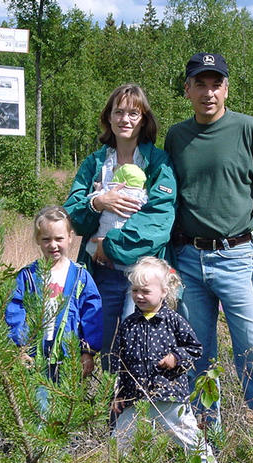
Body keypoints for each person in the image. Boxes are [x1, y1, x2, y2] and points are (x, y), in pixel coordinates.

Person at [164, 53, 253, 444]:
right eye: (199, 84)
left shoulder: (249, 130)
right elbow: (167, 201)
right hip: (186, 260)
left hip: (238, 260)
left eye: (216, 84)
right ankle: (207, 448)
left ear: (226, 88)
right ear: (187, 90)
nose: (208, 92)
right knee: (197, 360)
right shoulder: (176, 137)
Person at [64, 84, 177, 372]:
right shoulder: (95, 163)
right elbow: (73, 216)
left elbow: (159, 221)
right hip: (102, 274)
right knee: (105, 353)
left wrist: (108, 245)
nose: (125, 119)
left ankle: (140, 414)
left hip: (143, 276)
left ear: (144, 120)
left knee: (139, 351)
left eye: (133, 113)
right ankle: (110, 413)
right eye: (119, 112)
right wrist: (98, 202)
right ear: (109, 118)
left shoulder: (158, 163)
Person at [111, 257, 218, 463]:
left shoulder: (173, 320)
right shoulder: (128, 325)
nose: (139, 296)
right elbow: (118, 360)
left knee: (190, 439)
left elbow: (194, 347)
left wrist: (176, 357)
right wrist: (119, 393)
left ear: (164, 291)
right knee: (118, 444)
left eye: (145, 291)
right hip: (136, 398)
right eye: (135, 290)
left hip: (169, 397)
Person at [5, 206, 103, 411]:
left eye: (59, 238)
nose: (53, 245)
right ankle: (41, 444)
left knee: (67, 409)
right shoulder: (28, 276)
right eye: (46, 239)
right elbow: (15, 310)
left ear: (70, 237)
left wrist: (88, 352)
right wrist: (21, 345)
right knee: (39, 408)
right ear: (37, 240)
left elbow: (92, 314)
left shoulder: (80, 276)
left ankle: (67, 444)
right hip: (35, 355)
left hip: (69, 354)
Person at [85, 163, 148, 257]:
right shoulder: (140, 197)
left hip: (103, 235)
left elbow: (92, 198)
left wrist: (97, 190)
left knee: (90, 247)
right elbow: (147, 204)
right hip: (123, 241)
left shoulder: (110, 191)